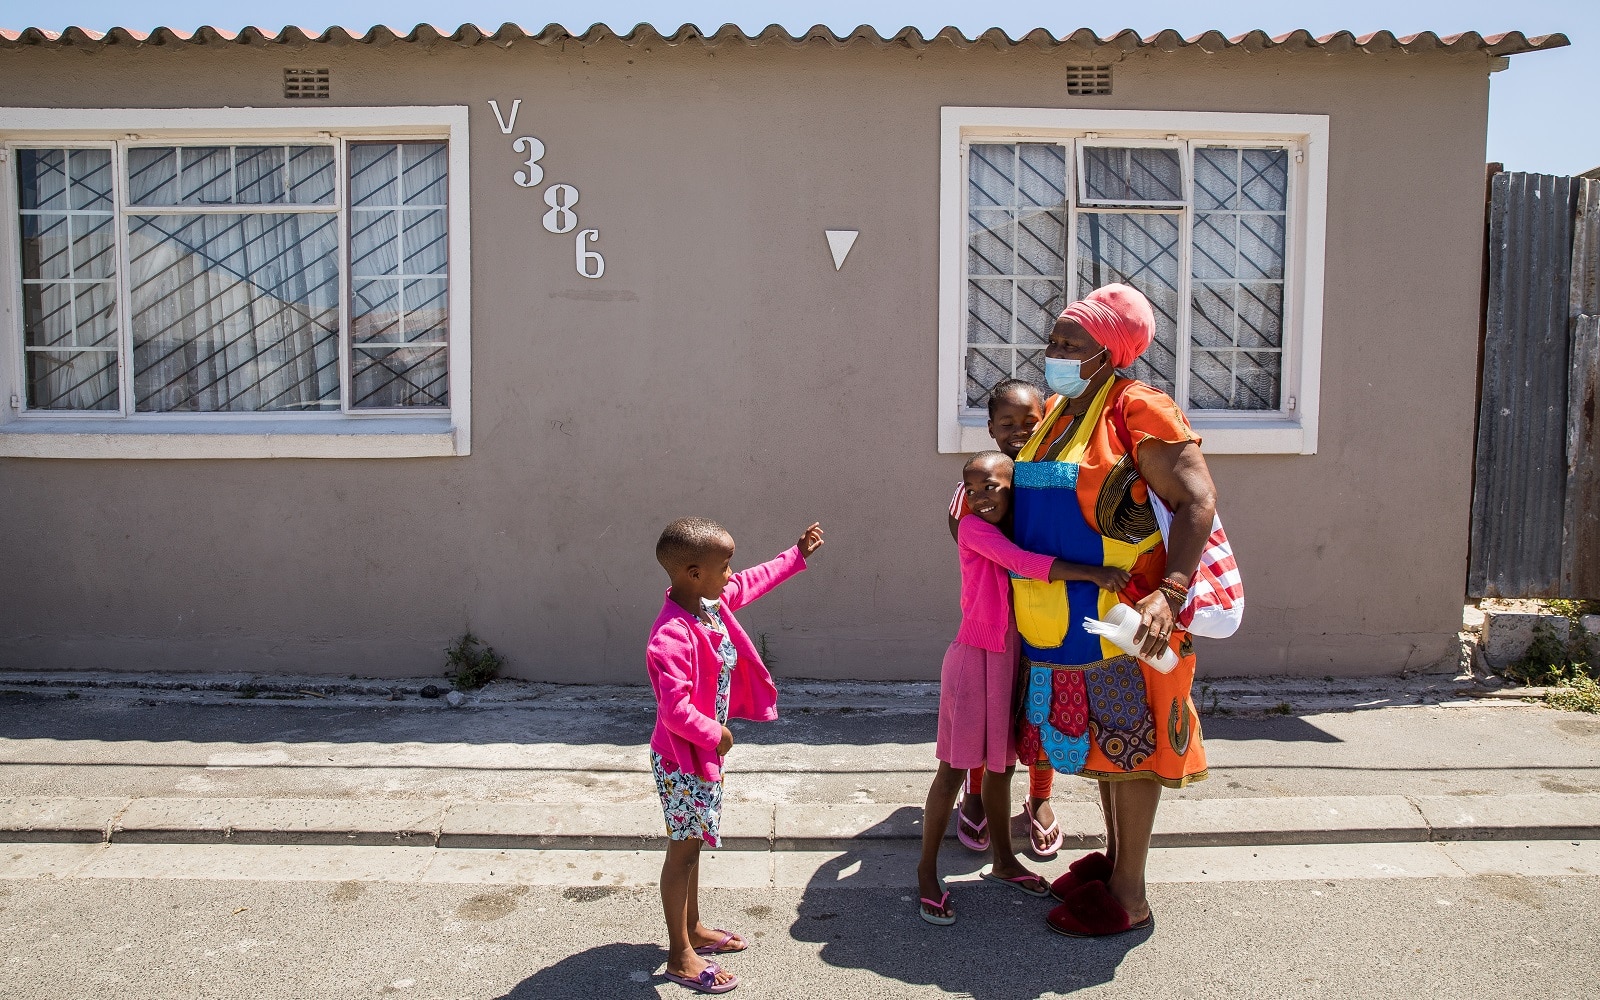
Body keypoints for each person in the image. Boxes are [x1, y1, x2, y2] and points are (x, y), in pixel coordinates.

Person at [1007, 283, 1219, 938]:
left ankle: (1130, 894)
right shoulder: (1058, 412)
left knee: (1137, 747)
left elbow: (1197, 502)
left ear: (1111, 353)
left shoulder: (1138, 406)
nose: (1056, 352)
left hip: (1132, 614)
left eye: (1073, 344)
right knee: (1101, 746)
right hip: (1061, 614)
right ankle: (1115, 861)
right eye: (1056, 340)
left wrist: (1172, 592)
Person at [917, 452, 1127, 925]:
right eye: (972, 490)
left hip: (1014, 658)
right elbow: (1023, 563)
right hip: (975, 660)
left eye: (991, 486)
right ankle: (927, 872)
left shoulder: (1023, 522)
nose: (980, 497)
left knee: (1001, 767)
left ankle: (1005, 861)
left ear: (1015, 487)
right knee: (953, 770)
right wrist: (1095, 573)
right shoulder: (974, 529)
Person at [647, 517, 825, 992]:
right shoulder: (671, 637)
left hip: (703, 757)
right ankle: (679, 953)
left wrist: (797, 554)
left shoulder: (711, 603)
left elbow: (753, 581)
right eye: (724, 566)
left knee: (694, 844)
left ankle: (694, 927)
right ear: (691, 572)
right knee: (682, 852)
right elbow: (674, 709)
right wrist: (715, 733)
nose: (732, 574)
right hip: (684, 760)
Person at [945, 379, 1066, 859]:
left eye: (1029, 421)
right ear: (991, 429)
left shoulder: (1055, 476)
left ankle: (1039, 799)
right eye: (1007, 423)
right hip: (994, 626)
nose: (1019, 430)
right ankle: (975, 794)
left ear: (1046, 420)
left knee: (1040, 711)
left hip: (1047, 621)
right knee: (988, 712)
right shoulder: (975, 485)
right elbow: (966, 537)